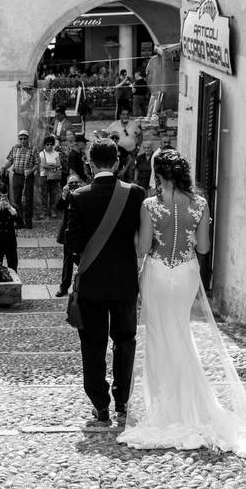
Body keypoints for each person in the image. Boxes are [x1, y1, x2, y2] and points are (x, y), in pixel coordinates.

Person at [117, 151, 246, 461]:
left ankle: (166, 406)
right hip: (186, 272)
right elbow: (202, 247)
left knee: (160, 336)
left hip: (159, 272)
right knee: (181, 333)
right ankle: (191, 403)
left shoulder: (150, 206)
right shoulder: (200, 205)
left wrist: (139, 235)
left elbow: (144, 248)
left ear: (159, 175)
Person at [65, 139, 146, 426]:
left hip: (93, 285)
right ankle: (122, 401)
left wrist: (87, 262)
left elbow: (72, 243)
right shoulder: (136, 194)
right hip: (124, 282)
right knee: (125, 341)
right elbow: (143, 238)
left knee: (93, 344)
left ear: (90, 163)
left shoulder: (79, 196)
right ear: (116, 163)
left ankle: (100, 405)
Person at [2, 130, 39, 229]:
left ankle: (28, 221)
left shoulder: (33, 149)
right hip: (17, 176)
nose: (23, 140)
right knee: (17, 199)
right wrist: (5, 167)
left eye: (25, 138)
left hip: (28, 176)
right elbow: (10, 161)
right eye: (21, 138)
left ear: (28, 139)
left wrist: (30, 171)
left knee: (28, 198)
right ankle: (18, 221)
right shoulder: (15, 148)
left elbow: (37, 164)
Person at [54, 174, 84, 297]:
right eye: (71, 183)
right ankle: (64, 287)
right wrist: (64, 194)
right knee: (67, 262)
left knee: (81, 261)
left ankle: (82, 285)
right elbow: (58, 207)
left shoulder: (83, 194)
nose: (74, 185)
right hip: (68, 232)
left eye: (76, 182)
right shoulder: (66, 195)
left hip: (80, 232)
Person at [0, 182, 24, 271]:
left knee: (13, 267)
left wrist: (11, 209)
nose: (2, 198)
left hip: (10, 240)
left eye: (4, 195)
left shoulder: (13, 207)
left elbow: (21, 223)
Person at [104, 109, 142, 182]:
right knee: (117, 173)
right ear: (120, 115)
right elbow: (105, 134)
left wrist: (139, 146)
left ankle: (129, 187)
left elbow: (140, 134)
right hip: (117, 152)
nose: (125, 116)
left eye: (127, 114)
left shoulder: (134, 124)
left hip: (131, 152)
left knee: (130, 173)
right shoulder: (114, 125)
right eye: (123, 114)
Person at [37, 135, 63, 220]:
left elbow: (59, 164)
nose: (49, 146)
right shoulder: (41, 153)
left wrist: (50, 166)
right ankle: (44, 211)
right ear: (44, 145)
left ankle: (52, 210)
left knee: (53, 194)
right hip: (44, 176)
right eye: (47, 144)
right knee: (44, 194)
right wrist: (53, 166)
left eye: (51, 144)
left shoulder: (56, 153)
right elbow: (43, 165)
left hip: (54, 177)